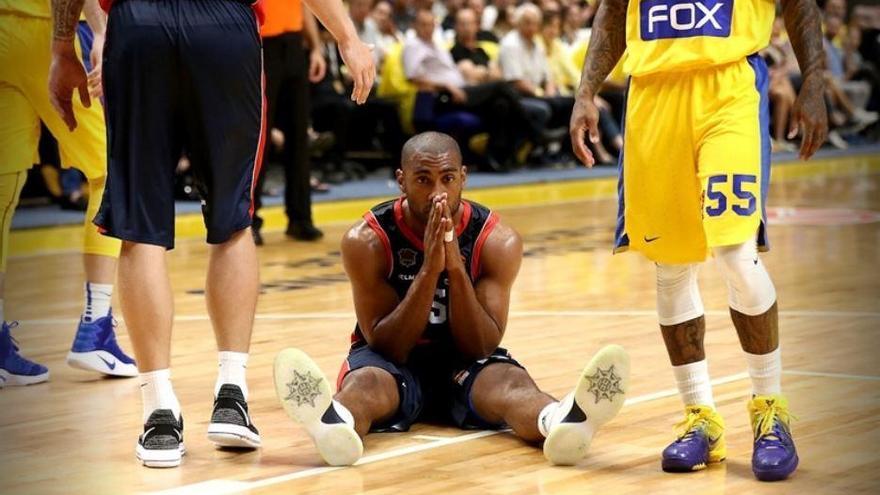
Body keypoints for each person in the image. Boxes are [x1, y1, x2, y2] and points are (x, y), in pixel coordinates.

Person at [49, 0, 374, 468]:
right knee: (233, 223)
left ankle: (159, 411)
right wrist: (345, 35)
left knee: (139, 231)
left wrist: (63, 45)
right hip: (222, 28)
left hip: (140, 25)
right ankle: (231, 395)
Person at [570, 0, 828, 482]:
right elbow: (610, 12)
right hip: (651, 95)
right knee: (669, 266)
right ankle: (700, 420)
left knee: (736, 253)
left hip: (727, 87)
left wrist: (813, 78)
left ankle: (770, 414)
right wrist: (586, 91)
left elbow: (798, 5)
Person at [272, 132, 630, 467]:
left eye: (447, 178)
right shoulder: (367, 240)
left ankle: (563, 421)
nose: (437, 192)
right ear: (401, 180)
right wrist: (429, 270)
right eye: (423, 179)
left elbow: (482, 343)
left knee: (511, 384)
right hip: (391, 362)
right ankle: (334, 424)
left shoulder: (497, 240)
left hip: (463, 358)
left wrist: (454, 266)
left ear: (464, 177)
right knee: (365, 385)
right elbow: (387, 344)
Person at [0, 0, 137, 388]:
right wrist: (100, 27)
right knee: (112, 173)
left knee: (3, 190)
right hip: (48, 34)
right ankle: (96, 327)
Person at [252, 1, 327, 246]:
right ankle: (249, 221)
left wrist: (315, 47)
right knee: (259, 138)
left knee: (298, 137)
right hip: (262, 43)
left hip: (293, 43)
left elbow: (306, 4)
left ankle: (300, 218)